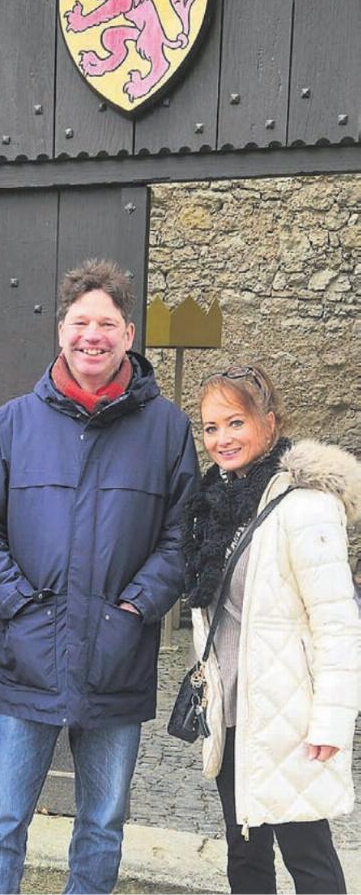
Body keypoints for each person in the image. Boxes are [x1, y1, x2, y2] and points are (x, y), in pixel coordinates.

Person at [0, 259, 199, 894]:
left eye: (108, 323)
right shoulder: (15, 422)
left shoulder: (167, 429)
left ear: (128, 334)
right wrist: (19, 605)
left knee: (103, 821)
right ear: (61, 329)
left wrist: (135, 610)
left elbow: (182, 536)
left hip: (117, 659)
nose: (93, 335)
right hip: (29, 658)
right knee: (3, 819)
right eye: (81, 321)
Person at [183, 363, 361, 895]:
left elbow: (337, 623)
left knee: (307, 855)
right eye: (211, 427)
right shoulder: (215, 503)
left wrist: (331, 722)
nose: (221, 439)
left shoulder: (303, 506)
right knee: (245, 852)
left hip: (289, 717)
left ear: (270, 422)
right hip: (233, 709)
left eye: (234, 423)